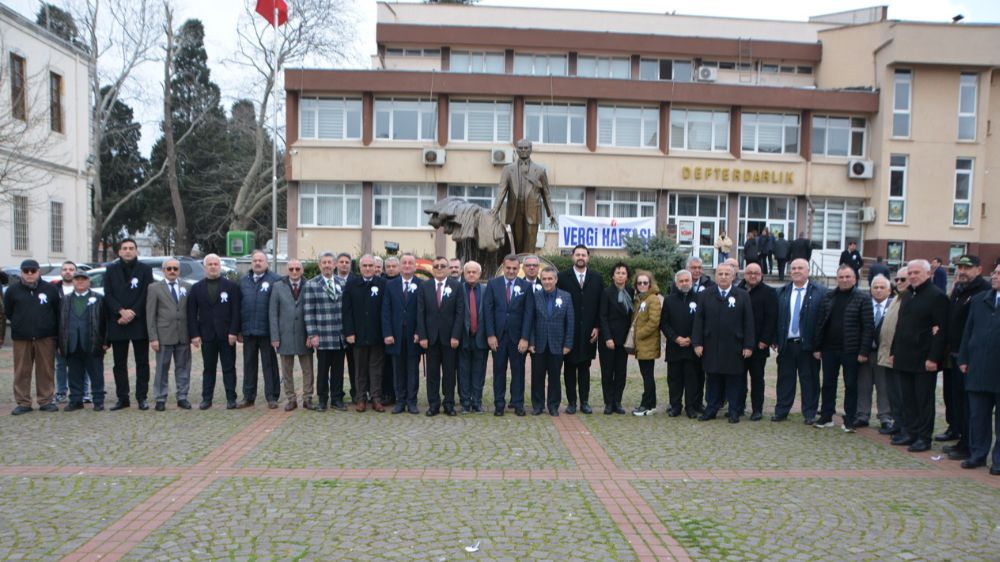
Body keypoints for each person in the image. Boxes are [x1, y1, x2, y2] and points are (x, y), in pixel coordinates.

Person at [890, 259, 949, 452]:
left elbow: (941, 332)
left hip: (924, 359)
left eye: (917, 272)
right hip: (904, 355)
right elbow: (899, 327)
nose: (913, 276)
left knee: (923, 400)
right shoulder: (907, 296)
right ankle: (910, 432)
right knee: (907, 399)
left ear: (928, 274)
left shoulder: (937, 296)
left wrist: (934, 358)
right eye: (911, 273)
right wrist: (893, 352)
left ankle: (924, 437)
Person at [812, 265, 874, 432]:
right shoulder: (828, 297)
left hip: (851, 350)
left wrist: (863, 351)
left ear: (855, 279)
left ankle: (850, 419)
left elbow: (868, 327)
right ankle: (826, 416)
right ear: (837, 278)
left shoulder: (863, 298)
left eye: (848, 277)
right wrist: (817, 347)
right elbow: (821, 323)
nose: (845, 280)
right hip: (829, 349)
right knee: (828, 383)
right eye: (841, 277)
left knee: (851, 385)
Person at [940, 254, 990, 460]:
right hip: (953, 353)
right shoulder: (959, 290)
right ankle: (955, 430)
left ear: (978, 270)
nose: (962, 271)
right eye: (959, 267)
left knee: (968, 404)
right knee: (952, 398)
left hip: (967, 356)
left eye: (967, 268)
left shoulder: (982, 292)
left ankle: (967, 444)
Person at [693, 263, 755, 423]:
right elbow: (698, 320)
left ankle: (734, 411)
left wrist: (748, 345)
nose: (723, 276)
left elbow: (748, 322)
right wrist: (697, 343)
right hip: (711, 344)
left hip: (734, 345)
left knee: (734, 380)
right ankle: (711, 409)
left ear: (733, 276)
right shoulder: (706, 294)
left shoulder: (742, 295)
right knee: (712, 379)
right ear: (715, 276)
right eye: (720, 273)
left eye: (727, 274)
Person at [956, 263, 1000, 474]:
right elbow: (968, 332)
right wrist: (964, 358)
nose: (995, 276)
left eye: (999, 274)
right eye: (995, 272)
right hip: (978, 368)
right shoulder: (980, 301)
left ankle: (998, 460)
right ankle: (978, 454)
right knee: (978, 417)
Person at [772, 258, 827, 424]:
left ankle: (809, 413)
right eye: (793, 268)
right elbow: (776, 317)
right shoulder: (781, 292)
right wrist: (775, 338)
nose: (796, 271)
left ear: (808, 271)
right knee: (785, 379)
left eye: (800, 268)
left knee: (809, 380)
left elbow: (824, 321)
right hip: (786, 344)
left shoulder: (821, 292)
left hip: (808, 345)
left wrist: (819, 345)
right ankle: (782, 410)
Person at [4, 259, 62, 415]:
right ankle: (23, 402)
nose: (29, 274)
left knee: (46, 370)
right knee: (22, 371)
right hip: (22, 338)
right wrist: (19, 324)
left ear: (38, 272)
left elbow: (57, 312)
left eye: (33, 271)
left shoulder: (50, 289)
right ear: (21, 272)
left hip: (46, 337)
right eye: (26, 271)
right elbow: (8, 312)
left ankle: (46, 400)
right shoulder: (12, 290)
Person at [104, 238, 155, 411]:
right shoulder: (110, 270)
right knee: (119, 363)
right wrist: (120, 311)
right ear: (119, 251)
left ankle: (142, 397)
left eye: (131, 248)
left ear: (136, 251)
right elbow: (108, 294)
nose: (128, 251)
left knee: (142, 362)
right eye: (124, 248)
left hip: (138, 322)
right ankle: (122, 397)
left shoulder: (145, 270)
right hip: (118, 322)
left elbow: (147, 293)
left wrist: (133, 312)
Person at [187, 254, 241, 410]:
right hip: (207, 334)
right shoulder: (196, 288)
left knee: (229, 368)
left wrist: (233, 332)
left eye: (216, 264)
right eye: (210, 264)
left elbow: (236, 311)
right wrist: (195, 335)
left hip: (226, 335)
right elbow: (192, 313)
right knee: (208, 368)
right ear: (205, 267)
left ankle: (231, 398)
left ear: (220, 266)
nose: (213, 267)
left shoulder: (231, 286)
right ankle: (206, 398)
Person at [484, 254, 534, 416]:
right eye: (508, 268)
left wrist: (525, 338)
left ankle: (518, 403)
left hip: (518, 338)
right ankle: (499, 404)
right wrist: (490, 335)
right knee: (499, 371)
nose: (511, 271)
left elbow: (528, 314)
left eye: (514, 268)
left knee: (518, 371)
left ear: (519, 268)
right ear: (503, 267)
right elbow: (488, 311)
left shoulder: (525, 287)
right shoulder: (493, 284)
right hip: (498, 337)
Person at [557, 244, 605, 414]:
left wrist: (598, 327)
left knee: (585, 368)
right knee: (569, 368)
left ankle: (584, 401)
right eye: (577, 254)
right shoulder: (562, 277)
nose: (580, 257)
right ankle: (571, 403)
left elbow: (601, 305)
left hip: (589, 332)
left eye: (583, 255)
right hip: (568, 331)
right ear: (572, 257)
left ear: (588, 257)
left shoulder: (597, 278)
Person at [490, 138, 558, 253]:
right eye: (520, 148)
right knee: (518, 246)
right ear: (516, 150)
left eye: (526, 148)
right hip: (515, 212)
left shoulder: (540, 170)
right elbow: (501, 191)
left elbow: (546, 194)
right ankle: (519, 268)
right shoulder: (508, 169)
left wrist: (550, 213)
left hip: (532, 211)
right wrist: (495, 210)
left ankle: (530, 267)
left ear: (530, 149)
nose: (523, 150)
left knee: (530, 246)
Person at [417, 256, 464, 417]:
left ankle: (449, 403)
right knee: (432, 373)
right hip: (430, 339)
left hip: (450, 338)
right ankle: (433, 404)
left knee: (450, 373)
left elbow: (460, 313)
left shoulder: (456, 286)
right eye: (436, 266)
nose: (439, 268)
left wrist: (456, 335)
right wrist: (422, 336)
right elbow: (420, 313)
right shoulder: (425, 286)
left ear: (448, 268)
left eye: (442, 265)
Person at [146, 258, 193, 411]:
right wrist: (153, 337)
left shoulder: (187, 287)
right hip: (163, 335)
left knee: (183, 367)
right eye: (169, 269)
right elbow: (150, 314)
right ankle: (160, 398)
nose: (172, 271)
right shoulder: (154, 288)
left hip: (183, 334)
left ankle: (182, 396)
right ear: (163, 270)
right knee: (161, 368)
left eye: (175, 268)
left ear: (179, 271)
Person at [343, 255, 388, 412]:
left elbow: (386, 310)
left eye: (370, 265)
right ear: (360, 268)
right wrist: (349, 332)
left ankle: (376, 399)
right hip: (358, 335)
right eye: (365, 266)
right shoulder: (352, 284)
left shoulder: (383, 284)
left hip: (377, 334)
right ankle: (361, 398)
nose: (368, 268)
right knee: (360, 369)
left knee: (376, 369)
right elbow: (346, 311)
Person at [58, 271, 107, 412]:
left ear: (88, 281)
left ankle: (98, 400)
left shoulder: (99, 298)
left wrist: (105, 341)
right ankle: (76, 400)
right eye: (77, 279)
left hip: (93, 342)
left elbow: (106, 321)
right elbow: (59, 322)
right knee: (74, 373)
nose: (80, 282)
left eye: (83, 279)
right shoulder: (65, 300)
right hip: (71, 342)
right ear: (72, 282)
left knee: (96, 373)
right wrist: (60, 343)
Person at [237, 250, 280, 409]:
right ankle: (248, 396)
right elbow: (238, 307)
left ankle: (272, 396)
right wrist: (238, 330)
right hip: (248, 330)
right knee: (249, 364)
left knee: (269, 365)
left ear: (266, 263)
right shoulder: (243, 281)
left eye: (260, 260)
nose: (257, 263)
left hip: (267, 331)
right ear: (251, 263)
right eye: (255, 260)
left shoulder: (276, 280)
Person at [304, 253, 347, 411]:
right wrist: (313, 334)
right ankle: (322, 399)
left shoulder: (342, 283)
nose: (327, 265)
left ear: (335, 264)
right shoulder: (312, 284)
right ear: (319, 265)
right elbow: (308, 312)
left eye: (330, 262)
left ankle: (337, 399)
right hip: (322, 335)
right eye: (324, 262)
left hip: (339, 336)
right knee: (322, 370)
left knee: (338, 370)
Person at [529, 266, 573, 416]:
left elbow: (570, 322)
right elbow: (531, 321)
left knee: (555, 377)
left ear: (556, 280)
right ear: (541, 280)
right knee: (537, 376)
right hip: (539, 344)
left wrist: (568, 343)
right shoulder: (535, 296)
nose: (547, 282)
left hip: (557, 344)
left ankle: (553, 405)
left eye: (550, 279)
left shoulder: (566, 297)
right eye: (544, 279)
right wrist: (531, 341)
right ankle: (538, 405)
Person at [271, 259, 314, 412]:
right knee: (286, 369)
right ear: (287, 270)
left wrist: (311, 334)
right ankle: (291, 398)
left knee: (308, 368)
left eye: (297, 269)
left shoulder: (309, 285)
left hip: (304, 334)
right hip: (285, 335)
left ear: (302, 270)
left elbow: (312, 311)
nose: (294, 272)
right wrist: (275, 336)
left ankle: (308, 397)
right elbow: (273, 313)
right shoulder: (277, 287)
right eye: (291, 269)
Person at [382, 253, 422, 414]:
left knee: (413, 369)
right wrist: (387, 333)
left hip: (414, 335)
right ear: (400, 266)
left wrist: (420, 332)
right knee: (398, 369)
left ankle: (412, 401)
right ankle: (400, 401)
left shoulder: (421, 284)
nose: (406, 266)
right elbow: (386, 311)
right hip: (395, 335)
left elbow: (422, 311)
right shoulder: (390, 285)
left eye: (410, 263)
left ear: (414, 266)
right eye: (404, 263)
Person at [738, 262, 777, 421]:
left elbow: (771, 318)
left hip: (759, 344)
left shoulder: (769, 292)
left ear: (761, 275)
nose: (753, 275)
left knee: (757, 378)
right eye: (749, 273)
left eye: (756, 273)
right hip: (739, 343)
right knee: (738, 378)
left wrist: (765, 340)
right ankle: (739, 406)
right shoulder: (738, 290)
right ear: (744, 274)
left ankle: (757, 409)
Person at [661, 270, 702, 418]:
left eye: (687, 281)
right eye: (681, 281)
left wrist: (691, 338)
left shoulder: (699, 299)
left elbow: (701, 322)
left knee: (692, 380)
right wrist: (676, 338)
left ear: (691, 282)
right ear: (677, 283)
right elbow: (664, 323)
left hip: (692, 348)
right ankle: (675, 406)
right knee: (674, 380)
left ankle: (690, 407)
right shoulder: (669, 300)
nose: (684, 283)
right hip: (674, 347)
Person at [856, 275, 893, 430]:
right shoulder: (863, 304)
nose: (878, 290)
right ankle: (862, 415)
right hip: (865, 352)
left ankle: (885, 416)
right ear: (870, 289)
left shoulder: (894, 306)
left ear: (889, 290)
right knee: (863, 385)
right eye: (875, 287)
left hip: (884, 353)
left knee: (884, 386)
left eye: (882, 287)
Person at [876, 269, 910, 436]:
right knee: (893, 394)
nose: (899, 282)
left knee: (903, 394)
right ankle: (897, 423)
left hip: (901, 356)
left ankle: (905, 427)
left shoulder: (910, 299)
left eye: (903, 279)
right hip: (887, 354)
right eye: (896, 279)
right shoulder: (897, 298)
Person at [598, 262, 633, 415]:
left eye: (623, 273)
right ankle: (608, 403)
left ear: (627, 276)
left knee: (621, 372)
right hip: (609, 339)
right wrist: (607, 337)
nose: (620, 275)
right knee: (607, 372)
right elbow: (602, 317)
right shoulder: (606, 292)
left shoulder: (631, 292)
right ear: (613, 276)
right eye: (618, 272)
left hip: (624, 339)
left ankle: (617, 402)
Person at [52, 261, 87, 403]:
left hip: (79, 333)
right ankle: (61, 391)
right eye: (65, 269)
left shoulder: (82, 288)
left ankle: (85, 391)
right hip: (60, 332)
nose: (68, 272)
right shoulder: (54, 290)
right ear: (61, 272)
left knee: (83, 364)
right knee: (61, 365)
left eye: (71, 269)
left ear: (76, 272)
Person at [631, 270, 663, 417]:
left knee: (648, 375)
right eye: (639, 283)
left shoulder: (653, 299)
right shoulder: (640, 299)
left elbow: (654, 322)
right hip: (642, 344)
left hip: (647, 343)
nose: (642, 285)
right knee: (646, 375)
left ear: (650, 284)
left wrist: (638, 334)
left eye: (645, 282)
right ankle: (650, 403)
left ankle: (648, 404)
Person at [458, 261, 488, 413]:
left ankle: (476, 401)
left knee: (479, 371)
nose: (471, 274)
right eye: (468, 272)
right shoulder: (458, 290)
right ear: (464, 274)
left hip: (481, 338)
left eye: (474, 272)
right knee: (463, 371)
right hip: (463, 337)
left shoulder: (486, 290)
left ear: (479, 274)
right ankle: (464, 402)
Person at [336, 252, 357, 402]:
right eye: (341, 262)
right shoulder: (330, 280)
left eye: (347, 262)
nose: (344, 264)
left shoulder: (356, 280)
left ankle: (356, 392)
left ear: (351, 265)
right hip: (334, 330)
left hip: (352, 331)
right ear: (337, 264)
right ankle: (337, 394)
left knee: (354, 365)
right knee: (337, 365)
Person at [380, 256, 400, 406]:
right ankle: (387, 393)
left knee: (398, 366)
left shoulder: (404, 281)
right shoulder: (381, 283)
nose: (391, 269)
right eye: (389, 266)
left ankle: (399, 393)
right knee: (385, 366)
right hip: (385, 331)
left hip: (401, 331)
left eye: (394, 266)